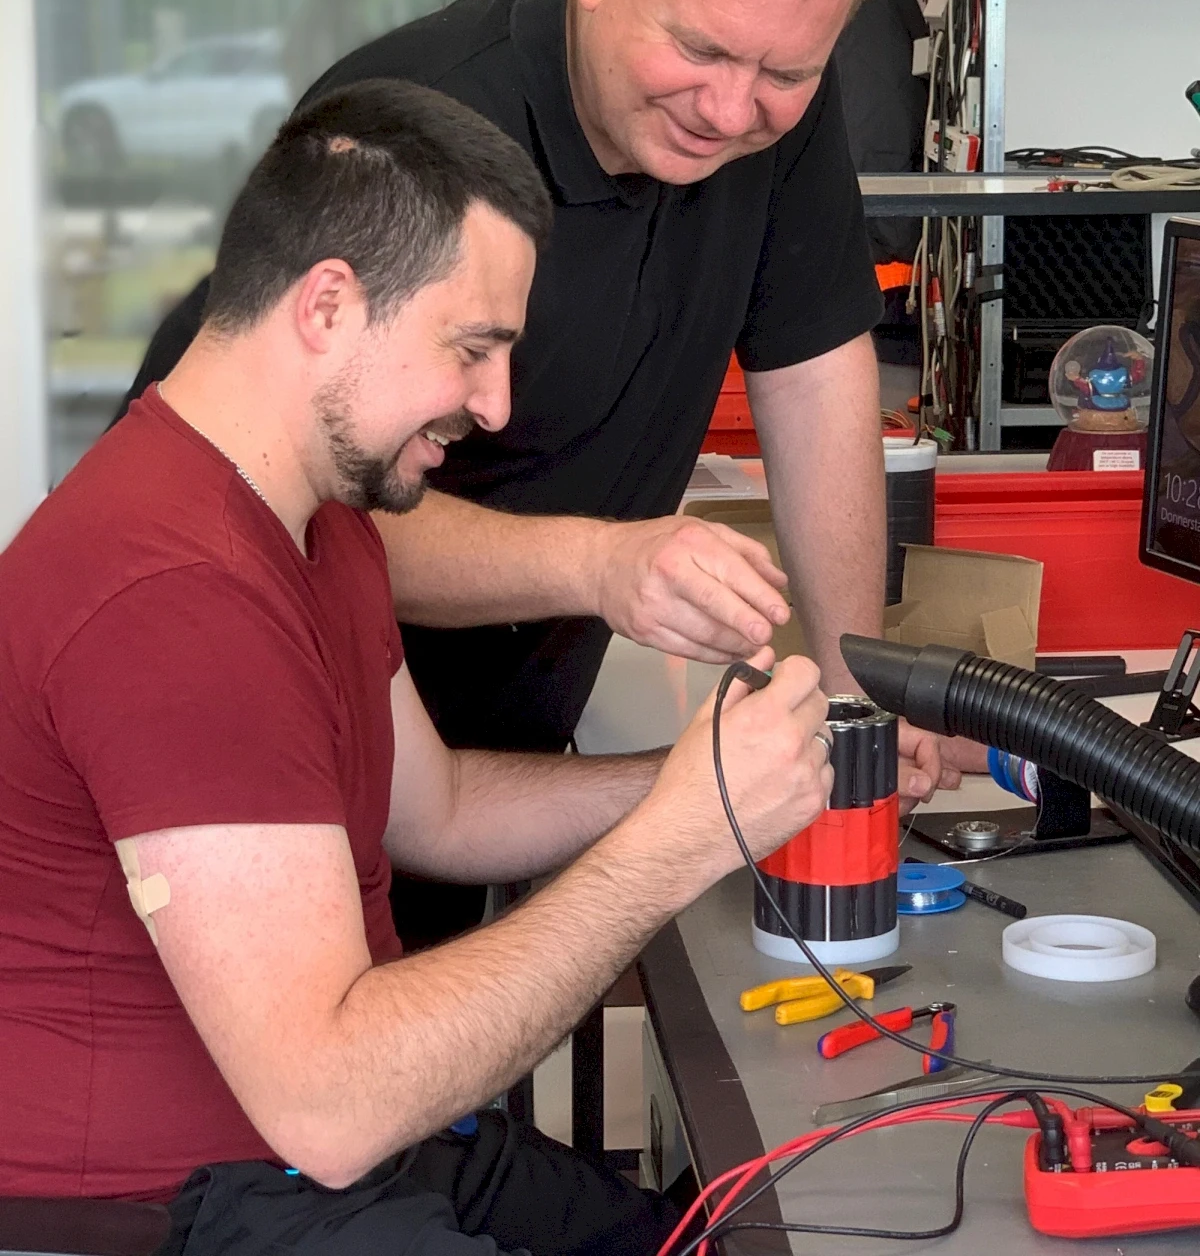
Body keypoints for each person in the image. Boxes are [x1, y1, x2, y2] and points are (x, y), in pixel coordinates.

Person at [117, 0, 972, 946]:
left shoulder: (772, 97)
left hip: (469, 785)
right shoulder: (418, 137)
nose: (731, 110)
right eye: (699, 48)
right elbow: (286, 509)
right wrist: (601, 562)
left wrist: (846, 696)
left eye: (784, 72)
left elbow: (818, 378)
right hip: (272, 779)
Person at [0, 80, 836, 1256]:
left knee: (707, 1236)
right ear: (328, 306)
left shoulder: (313, 518)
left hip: (323, 1156)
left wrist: (704, 776)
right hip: (173, 1205)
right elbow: (331, 1104)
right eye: (473, 349)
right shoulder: (169, 592)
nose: (494, 407)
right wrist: (674, 845)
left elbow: (433, 810)